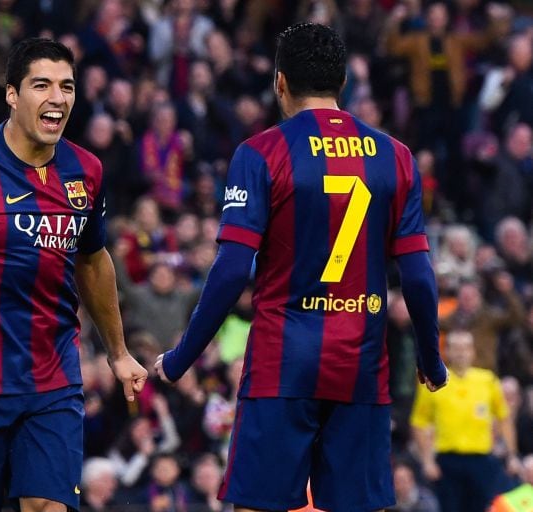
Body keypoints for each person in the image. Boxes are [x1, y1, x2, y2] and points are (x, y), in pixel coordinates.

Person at [154, 22, 448, 512]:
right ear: (343, 84)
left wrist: (182, 357)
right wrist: (431, 360)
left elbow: (231, 270)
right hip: (359, 366)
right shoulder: (395, 157)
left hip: (281, 367)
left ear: (280, 82)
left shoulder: (260, 153)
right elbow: (417, 275)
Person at [0, 38, 147, 512]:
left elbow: (92, 259)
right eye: (42, 85)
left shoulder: (85, 170)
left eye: (66, 86)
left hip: (54, 381)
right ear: (12, 94)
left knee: (47, 506)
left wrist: (118, 352)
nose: (58, 97)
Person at [410, 330, 520, 512]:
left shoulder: (487, 380)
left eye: (465, 348)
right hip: (447, 460)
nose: (461, 352)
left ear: (473, 351)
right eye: (456, 348)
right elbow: (419, 422)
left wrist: (511, 454)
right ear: (447, 352)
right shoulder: (435, 381)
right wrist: (427, 460)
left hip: (481, 459)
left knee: (482, 507)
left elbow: (504, 418)